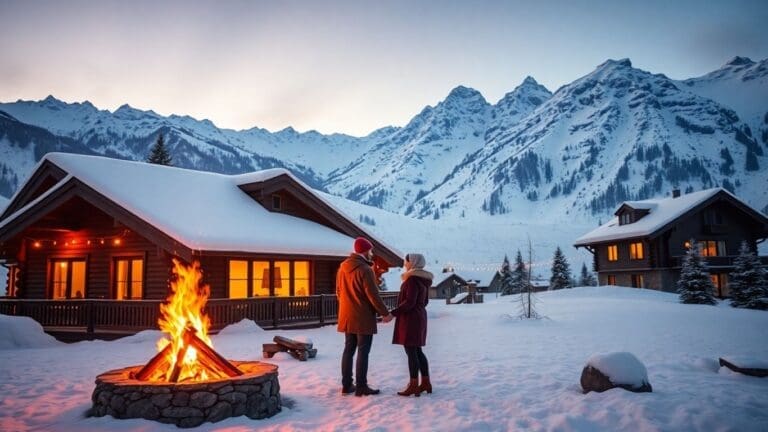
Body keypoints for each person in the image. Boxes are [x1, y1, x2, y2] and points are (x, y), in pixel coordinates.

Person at [337, 236, 393, 397]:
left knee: (348, 350)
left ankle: (347, 385)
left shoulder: (342, 268)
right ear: (365, 251)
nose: (372, 253)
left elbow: (338, 292)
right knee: (363, 351)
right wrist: (385, 314)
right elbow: (373, 295)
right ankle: (361, 386)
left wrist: (347, 307)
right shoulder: (365, 270)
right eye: (370, 250)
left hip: (347, 316)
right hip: (362, 317)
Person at [391, 253, 433, 397]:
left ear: (413, 263)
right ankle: (426, 382)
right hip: (420, 316)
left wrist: (393, 313)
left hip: (411, 319)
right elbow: (424, 301)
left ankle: (414, 385)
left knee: (411, 351)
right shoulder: (423, 280)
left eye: (406, 261)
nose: (405, 264)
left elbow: (409, 302)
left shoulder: (412, 280)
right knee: (417, 350)